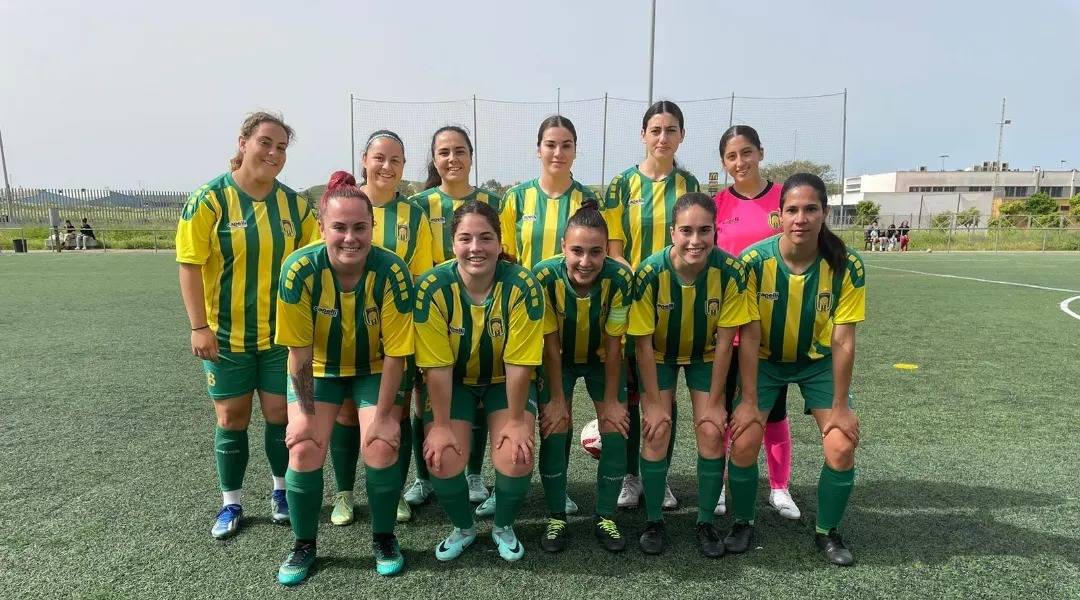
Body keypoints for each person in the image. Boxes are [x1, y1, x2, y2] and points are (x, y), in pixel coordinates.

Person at [175, 112, 318, 540]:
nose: (273, 153)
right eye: (266, 143)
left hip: (281, 337)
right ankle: (231, 502)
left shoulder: (295, 206)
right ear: (243, 142)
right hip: (226, 336)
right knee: (232, 417)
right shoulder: (209, 199)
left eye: (281, 148)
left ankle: (280, 493)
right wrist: (199, 326)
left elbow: (314, 260)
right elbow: (189, 264)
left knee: (280, 414)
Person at [273, 172, 414, 584]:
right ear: (322, 228)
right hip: (319, 369)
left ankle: (384, 537)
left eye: (359, 227)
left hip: (374, 368)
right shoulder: (299, 269)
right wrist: (302, 413)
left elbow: (396, 354)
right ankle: (304, 545)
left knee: (382, 444)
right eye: (339, 227)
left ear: (372, 226)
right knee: (302, 447)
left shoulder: (392, 270)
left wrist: (386, 415)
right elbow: (298, 352)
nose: (350, 237)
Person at [728, 173, 865, 565]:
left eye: (810, 209)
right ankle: (742, 522)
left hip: (817, 364)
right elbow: (749, 338)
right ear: (779, 216)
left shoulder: (846, 265)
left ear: (825, 213)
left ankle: (828, 532)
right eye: (792, 210)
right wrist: (750, 401)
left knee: (841, 445)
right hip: (767, 362)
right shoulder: (755, 262)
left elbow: (842, 340)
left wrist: (840, 406)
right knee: (743, 439)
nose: (801, 218)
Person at [414, 200, 544, 562]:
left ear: (500, 243)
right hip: (453, 383)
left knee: (517, 455)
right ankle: (464, 527)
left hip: (504, 380)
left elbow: (519, 363)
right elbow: (437, 367)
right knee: (440, 457)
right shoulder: (432, 287)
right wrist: (439, 426)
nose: (476, 248)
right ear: (452, 243)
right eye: (465, 238)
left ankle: (504, 525)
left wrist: (517, 422)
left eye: (486, 238)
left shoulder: (522, 285)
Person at [628, 192, 752, 557]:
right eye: (686, 230)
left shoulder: (731, 271)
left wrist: (715, 403)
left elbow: (728, 339)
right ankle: (653, 521)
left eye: (704, 230)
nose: (695, 240)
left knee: (713, 431)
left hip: (706, 356)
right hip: (660, 356)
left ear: (715, 231)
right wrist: (652, 402)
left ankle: (705, 522)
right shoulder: (650, 272)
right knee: (656, 429)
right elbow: (643, 345)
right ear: (672, 232)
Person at [485, 114, 596, 518]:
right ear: (538, 149)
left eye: (566, 144)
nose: (558, 152)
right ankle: (502, 485)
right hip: (523, 319)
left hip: (574, 318)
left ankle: (558, 487)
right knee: (513, 404)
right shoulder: (516, 198)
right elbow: (506, 256)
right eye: (551, 144)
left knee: (558, 405)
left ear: (574, 150)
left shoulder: (587, 200)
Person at [327, 129, 433, 528]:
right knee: (345, 415)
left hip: (394, 336)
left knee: (395, 413)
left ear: (404, 167)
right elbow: (323, 263)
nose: (386, 166)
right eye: (379, 158)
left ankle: (392, 490)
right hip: (343, 331)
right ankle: (343, 493)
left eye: (395, 160)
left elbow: (420, 276)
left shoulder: (414, 215)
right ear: (364, 161)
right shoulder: (342, 207)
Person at [602, 100, 699, 511]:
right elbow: (614, 248)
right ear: (643, 135)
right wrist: (641, 281)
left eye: (671, 129)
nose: (663, 137)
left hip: (676, 303)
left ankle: (658, 473)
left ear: (681, 136)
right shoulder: (621, 185)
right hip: (631, 299)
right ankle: (629, 477)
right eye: (655, 129)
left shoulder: (689, 182)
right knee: (629, 391)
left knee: (664, 393)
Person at [405, 126, 502, 511]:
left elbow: (500, 257)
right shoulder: (418, 204)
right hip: (430, 315)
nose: (452, 159)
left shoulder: (492, 202)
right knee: (423, 396)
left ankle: (475, 475)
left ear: (471, 155)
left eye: (459, 151)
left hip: (479, 312)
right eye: (444, 152)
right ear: (434, 158)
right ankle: (422, 477)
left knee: (476, 395)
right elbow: (415, 263)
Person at [532, 200, 633, 553]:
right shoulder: (543, 276)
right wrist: (558, 400)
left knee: (616, 428)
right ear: (563, 247)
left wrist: (611, 403)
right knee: (555, 426)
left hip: (602, 359)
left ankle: (605, 516)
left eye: (596, 252)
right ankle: (557, 517)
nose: (585, 261)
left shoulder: (620, 278)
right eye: (576, 250)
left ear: (607, 251)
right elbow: (549, 342)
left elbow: (614, 342)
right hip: (556, 357)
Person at [712, 124, 800, 520]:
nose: (740, 162)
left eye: (746, 153)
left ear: (761, 153)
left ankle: (780, 487)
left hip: (774, 324)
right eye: (731, 156)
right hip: (730, 325)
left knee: (774, 410)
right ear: (724, 163)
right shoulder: (716, 205)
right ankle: (724, 484)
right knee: (732, 408)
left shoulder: (785, 199)